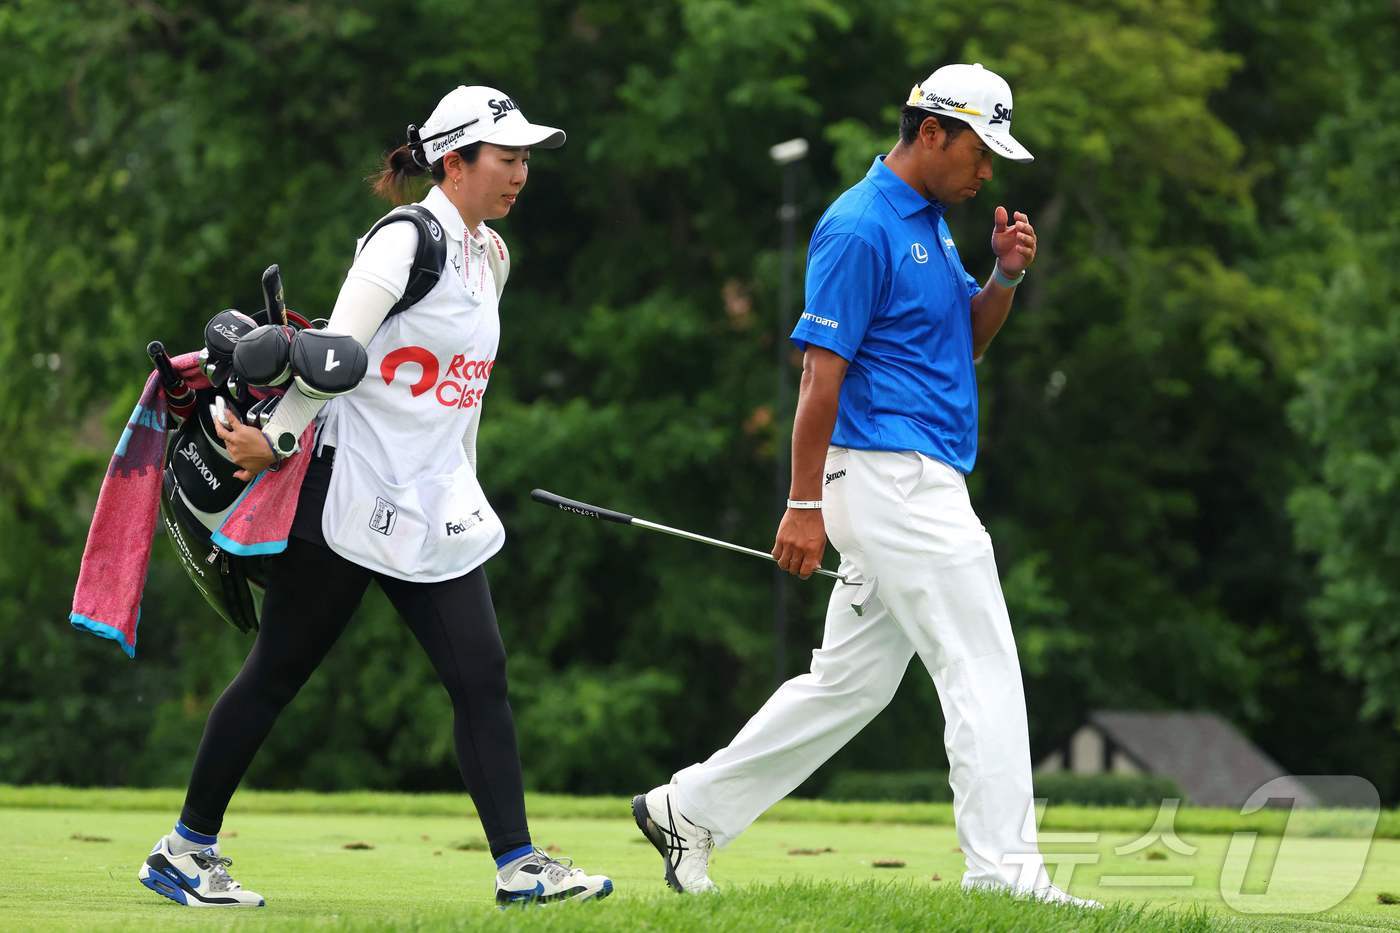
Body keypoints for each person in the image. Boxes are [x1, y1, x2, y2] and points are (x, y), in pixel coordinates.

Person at [633, 63, 1098, 908]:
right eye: (979, 150)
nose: (986, 171)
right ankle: (1005, 877)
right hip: (893, 479)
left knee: (850, 684)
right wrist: (801, 503)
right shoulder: (858, 226)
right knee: (982, 664)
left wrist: (1003, 278)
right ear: (931, 131)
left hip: (905, 477)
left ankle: (688, 808)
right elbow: (820, 374)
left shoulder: (932, 224)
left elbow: (964, 342)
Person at [137, 85, 612, 909]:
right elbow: (333, 354)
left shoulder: (491, 256)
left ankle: (519, 866)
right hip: (347, 498)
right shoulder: (404, 240)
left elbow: (461, 399)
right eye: (507, 158)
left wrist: (465, 484)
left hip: (433, 506)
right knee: (276, 673)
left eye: (526, 159)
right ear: (454, 163)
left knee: (481, 675)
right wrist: (278, 439)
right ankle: (183, 850)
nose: (521, 174)